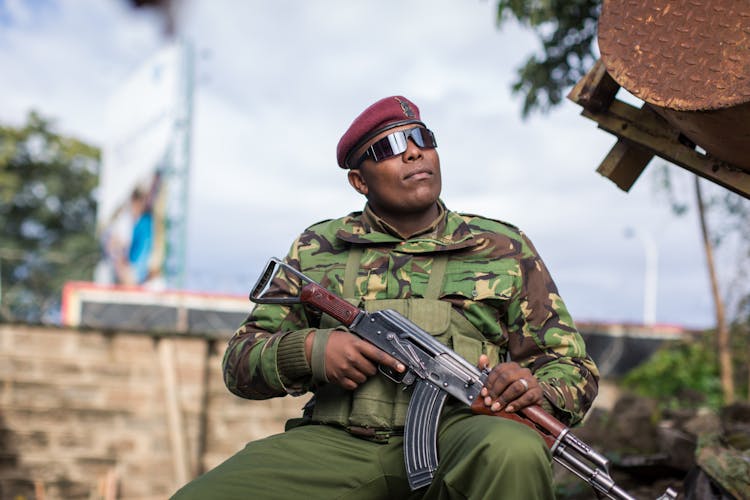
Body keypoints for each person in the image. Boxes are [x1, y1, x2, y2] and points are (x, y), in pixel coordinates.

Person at [172, 96, 599, 499]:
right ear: (359, 180)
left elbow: (573, 368)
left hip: (463, 437)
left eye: (422, 138)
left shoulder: (501, 246)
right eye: (391, 146)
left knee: (515, 450)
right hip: (337, 443)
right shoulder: (318, 247)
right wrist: (313, 350)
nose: (414, 153)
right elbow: (239, 363)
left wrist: (533, 388)